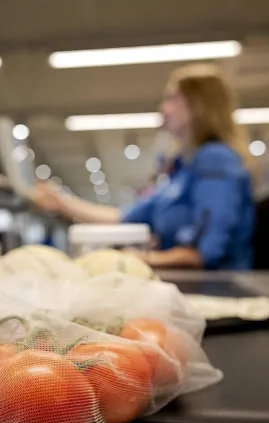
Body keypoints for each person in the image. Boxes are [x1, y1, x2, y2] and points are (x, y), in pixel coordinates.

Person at [31, 64, 256, 270]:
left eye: (172, 99)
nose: (163, 109)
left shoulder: (216, 159)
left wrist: (144, 259)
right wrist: (61, 202)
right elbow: (123, 217)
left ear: (199, 105)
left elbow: (208, 252)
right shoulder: (182, 172)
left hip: (217, 288)